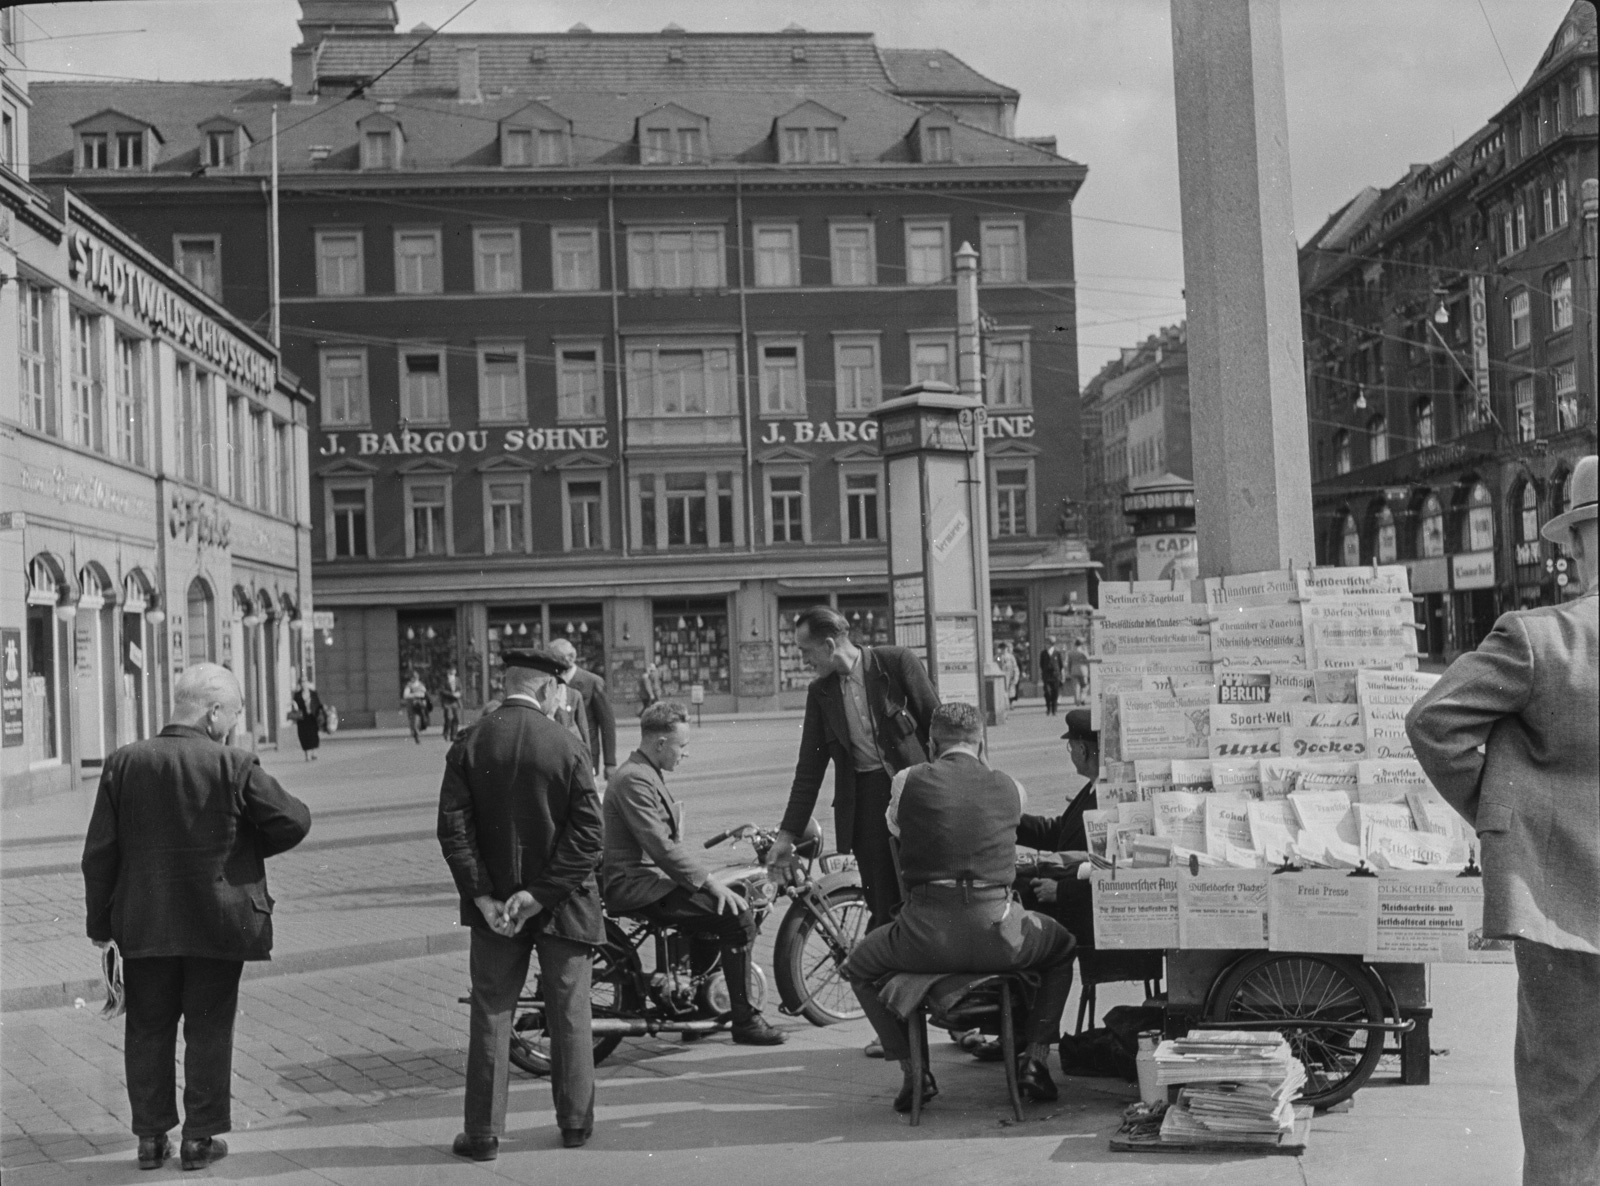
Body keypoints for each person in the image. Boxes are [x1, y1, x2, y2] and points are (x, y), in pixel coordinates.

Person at [1406, 454, 1598, 1186]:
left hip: (1561, 912)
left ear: (1578, 541)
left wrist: (1508, 808)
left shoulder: (1539, 640)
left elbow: (1435, 723)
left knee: (1565, 1112)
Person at [81, 663, 311, 1172]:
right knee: (209, 1029)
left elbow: (99, 853)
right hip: (218, 922)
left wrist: (101, 928)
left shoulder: (124, 762)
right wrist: (243, 846)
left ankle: (149, 1138)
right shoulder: (234, 764)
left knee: (147, 1028)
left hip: (144, 924)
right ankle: (199, 1139)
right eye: (233, 713)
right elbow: (294, 820)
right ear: (212, 713)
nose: (234, 723)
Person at [843, 702, 1078, 1113]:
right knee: (1062, 949)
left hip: (924, 937)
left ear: (932, 743)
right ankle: (1036, 1060)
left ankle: (913, 1072)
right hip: (1001, 935)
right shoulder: (1010, 787)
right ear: (981, 742)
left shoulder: (906, 781)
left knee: (859, 967)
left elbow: (897, 830)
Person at [437, 647, 606, 1161]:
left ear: (507, 685)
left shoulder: (469, 743)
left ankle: (483, 1133)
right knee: (570, 1011)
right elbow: (589, 836)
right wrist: (542, 893)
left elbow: (454, 831)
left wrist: (486, 896)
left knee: (491, 1011)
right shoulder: (567, 744)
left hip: (494, 912)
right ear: (549, 689)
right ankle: (575, 1123)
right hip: (562, 906)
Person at [602, 701, 786, 1045]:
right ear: (660, 743)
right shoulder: (633, 780)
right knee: (737, 917)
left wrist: (704, 878)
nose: (684, 755)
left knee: (714, 909)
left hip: (650, 879)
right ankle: (744, 1021)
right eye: (681, 746)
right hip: (637, 885)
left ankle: (696, 1010)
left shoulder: (643, 772)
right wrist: (709, 881)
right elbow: (660, 846)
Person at [768, 605, 939, 936]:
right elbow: (809, 771)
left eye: (806, 652)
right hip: (866, 808)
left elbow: (940, 726)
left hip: (918, 798)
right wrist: (786, 836)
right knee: (884, 903)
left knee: (928, 893)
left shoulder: (896, 663)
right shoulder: (820, 693)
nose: (804, 662)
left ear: (830, 646)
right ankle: (887, 976)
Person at [551, 638, 618, 781]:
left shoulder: (592, 681)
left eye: (555, 659)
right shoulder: (551, 682)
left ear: (570, 658)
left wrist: (610, 763)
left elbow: (607, 724)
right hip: (558, 756)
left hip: (586, 755)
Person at [290, 677, 326, 761]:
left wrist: (322, 711)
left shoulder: (313, 693)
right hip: (302, 718)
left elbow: (318, 704)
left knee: (313, 735)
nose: (303, 684)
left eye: (305, 681)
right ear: (300, 684)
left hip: (312, 717)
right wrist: (294, 705)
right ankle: (307, 754)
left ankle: (314, 752)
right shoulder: (297, 695)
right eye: (302, 682)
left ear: (307, 683)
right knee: (303, 736)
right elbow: (295, 705)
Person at [402, 670, 429, 744]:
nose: (414, 679)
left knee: (417, 720)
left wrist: (418, 695)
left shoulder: (421, 685)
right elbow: (405, 695)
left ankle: (416, 734)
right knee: (412, 720)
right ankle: (414, 732)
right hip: (411, 705)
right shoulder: (409, 685)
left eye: (415, 677)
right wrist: (415, 694)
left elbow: (424, 694)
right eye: (413, 677)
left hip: (419, 706)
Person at [1039, 638, 1064, 716]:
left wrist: (1061, 676)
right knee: (1048, 692)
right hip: (1047, 676)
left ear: (1052, 644)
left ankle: (1054, 709)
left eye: (1048, 643)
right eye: (1045, 643)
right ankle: (1048, 708)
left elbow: (1061, 665)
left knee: (1055, 693)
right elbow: (1041, 664)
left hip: (1056, 676)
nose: (1046, 645)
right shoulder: (1043, 653)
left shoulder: (1057, 653)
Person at [439, 665, 463, 742]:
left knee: (456, 718)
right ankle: (446, 732)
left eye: (454, 670)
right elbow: (442, 690)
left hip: (455, 701)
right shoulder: (444, 680)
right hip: (447, 702)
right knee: (448, 718)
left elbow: (461, 689)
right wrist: (451, 694)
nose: (453, 672)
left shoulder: (457, 680)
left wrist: (459, 693)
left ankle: (453, 735)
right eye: (451, 670)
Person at [1065, 639, 1091, 707]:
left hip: (1074, 671)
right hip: (1083, 671)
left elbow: (1069, 663)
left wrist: (1069, 671)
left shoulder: (1071, 652)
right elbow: (1088, 660)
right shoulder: (1083, 652)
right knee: (1085, 686)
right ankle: (1082, 698)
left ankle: (1077, 701)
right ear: (1081, 644)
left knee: (1076, 687)